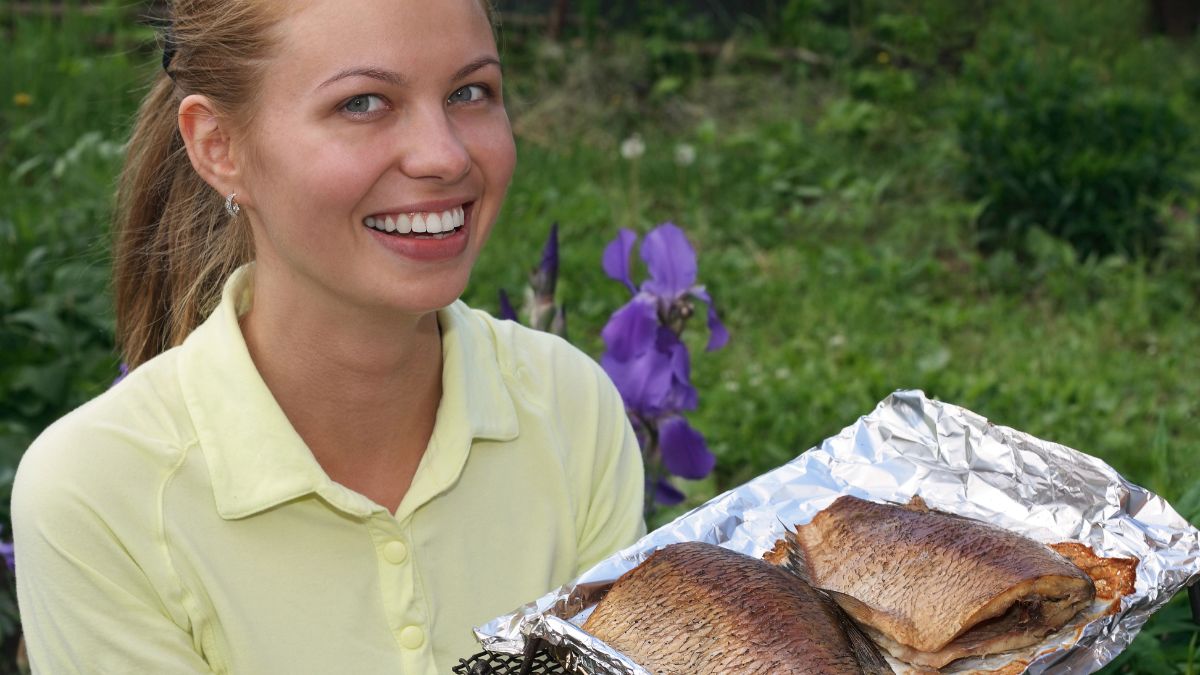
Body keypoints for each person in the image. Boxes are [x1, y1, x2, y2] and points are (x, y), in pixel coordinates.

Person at [11, 0, 645, 672]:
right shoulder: (99, 495)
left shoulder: (569, 404)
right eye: (364, 103)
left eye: (470, 92)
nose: (445, 155)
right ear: (218, 146)